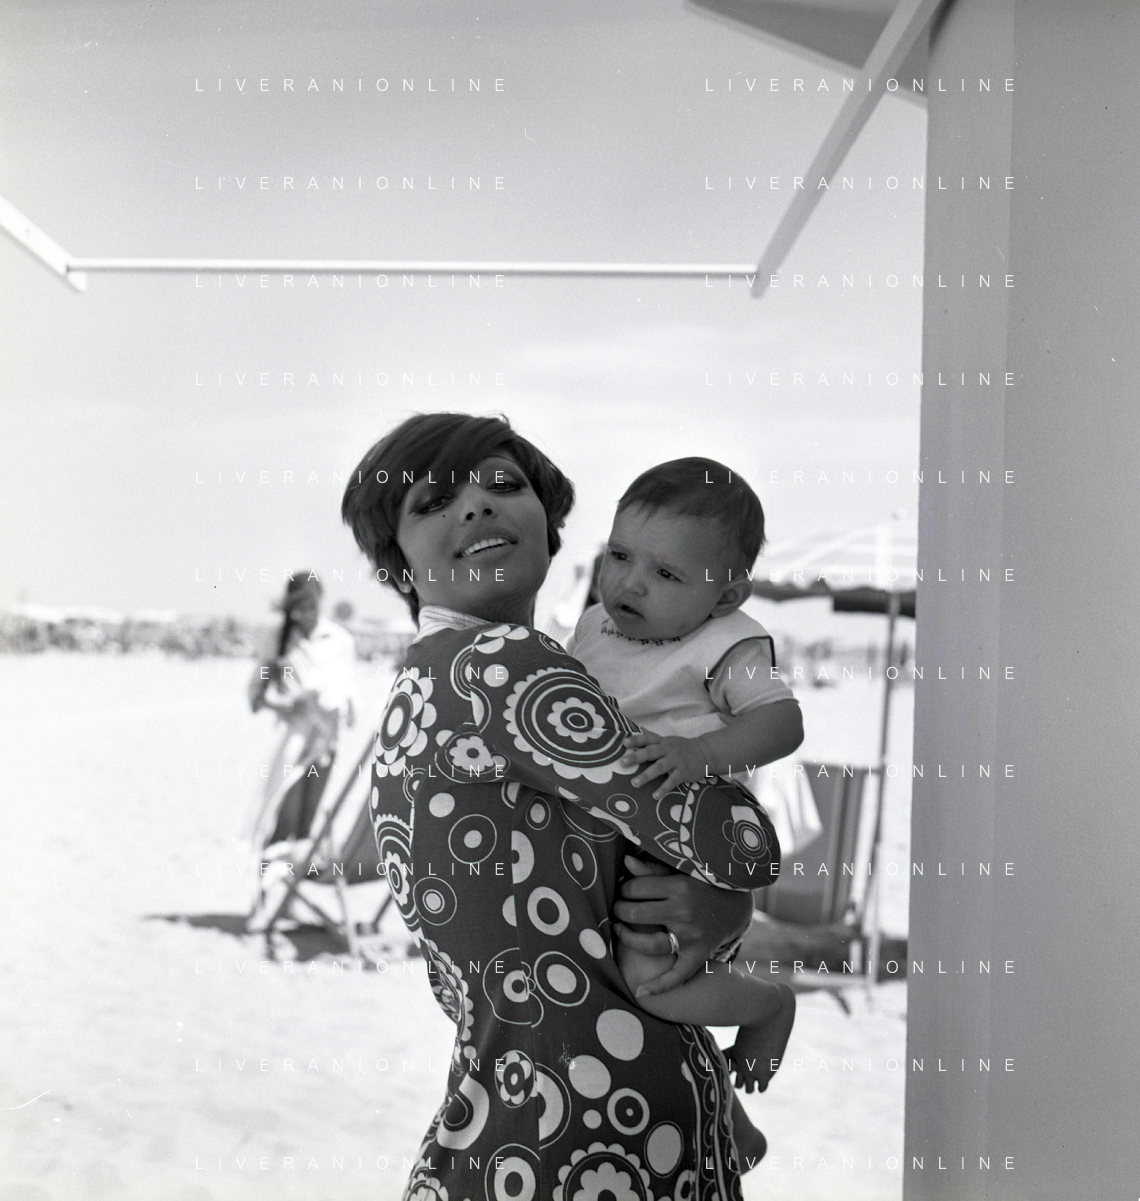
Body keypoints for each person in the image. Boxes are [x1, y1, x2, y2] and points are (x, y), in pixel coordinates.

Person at [342, 412, 789, 1200]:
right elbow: (737, 842)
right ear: (398, 564)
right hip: (598, 1124)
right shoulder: (504, 664)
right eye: (435, 500)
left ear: (551, 532)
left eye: (503, 484)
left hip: (515, 1114)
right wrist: (730, 900)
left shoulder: (423, 682)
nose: (477, 504)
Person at [568, 457, 803, 1167]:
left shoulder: (725, 643)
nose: (630, 582)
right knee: (637, 997)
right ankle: (733, 1122)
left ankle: (768, 1006)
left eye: (667, 573)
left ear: (726, 594)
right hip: (610, 830)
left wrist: (701, 752)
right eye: (619, 556)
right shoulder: (594, 626)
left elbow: (783, 722)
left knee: (652, 983)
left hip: (677, 837)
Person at [244, 575, 357, 906]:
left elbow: (349, 689)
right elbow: (256, 695)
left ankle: (288, 903)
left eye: (310, 606)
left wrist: (337, 702)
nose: (305, 613)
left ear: (320, 602)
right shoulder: (278, 639)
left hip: (326, 744)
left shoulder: (339, 640)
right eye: (298, 607)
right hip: (292, 744)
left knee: (306, 829)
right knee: (283, 823)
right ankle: (262, 900)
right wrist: (286, 705)